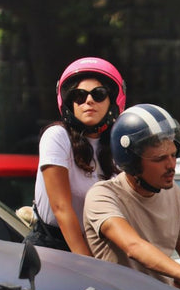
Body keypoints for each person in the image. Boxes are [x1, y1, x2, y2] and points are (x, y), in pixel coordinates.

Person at [82, 103, 180, 290]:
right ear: (131, 164)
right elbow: (134, 246)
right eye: (159, 159)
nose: (171, 165)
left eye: (174, 155)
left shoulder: (176, 196)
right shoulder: (103, 196)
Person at [30, 57, 127, 254]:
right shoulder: (57, 136)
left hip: (102, 249)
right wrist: (87, 264)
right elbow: (61, 208)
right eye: (79, 96)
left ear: (113, 100)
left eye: (98, 94)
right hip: (54, 250)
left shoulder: (119, 144)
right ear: (69, 103)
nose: (89, 101)